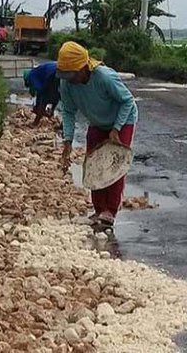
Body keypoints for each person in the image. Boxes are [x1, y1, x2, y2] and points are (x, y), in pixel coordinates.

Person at [57, 41, 138, 230]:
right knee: (93, 164)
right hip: (98, 122)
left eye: (72, 74)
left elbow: (127, 101)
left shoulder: (104, 77)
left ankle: (110, 211)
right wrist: (67, 141)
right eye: (66, 75)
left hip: (122, 120)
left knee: (114, 163)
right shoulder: (67, 84)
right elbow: (68, 112)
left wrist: (116, 129)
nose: (70, 79)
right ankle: (99, 208)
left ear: (83, 68)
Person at [23, 62, 60, 127]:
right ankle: (51, 113)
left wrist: (38, 107)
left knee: (45, 99)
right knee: (56, 94)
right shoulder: (37, 71)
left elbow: (40, 91)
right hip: (60, 70)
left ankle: (35, 122)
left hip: (52, 73)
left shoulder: (32, 76)